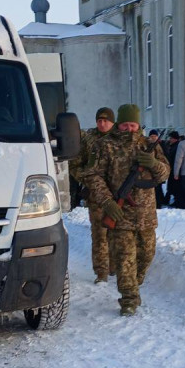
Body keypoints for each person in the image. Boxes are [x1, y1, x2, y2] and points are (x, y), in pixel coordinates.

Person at [83, 103, 170, 316]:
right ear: (118, 125)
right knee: (124, 259)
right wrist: (107, 202)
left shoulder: (148, 145)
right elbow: (93, 176)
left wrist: (153, 164)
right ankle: (129, 299)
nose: (129, 129)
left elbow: (164, 174)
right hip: (119, 214)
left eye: (133, 125)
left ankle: (134, 282)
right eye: (125, 125)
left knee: (147, 254)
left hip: (145, 214)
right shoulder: (105, 146)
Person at [69, 106, 116, 283]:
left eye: (106, 121)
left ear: (113, 122)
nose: (102, 124)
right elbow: (75, 165)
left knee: (117, 233)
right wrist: (87, 177)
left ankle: (115, 267)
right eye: (99, 121)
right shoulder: (89, 139)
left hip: (118, 195)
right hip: (95, 196)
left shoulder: (120, 138)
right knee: (99, 234)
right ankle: (101, 272)